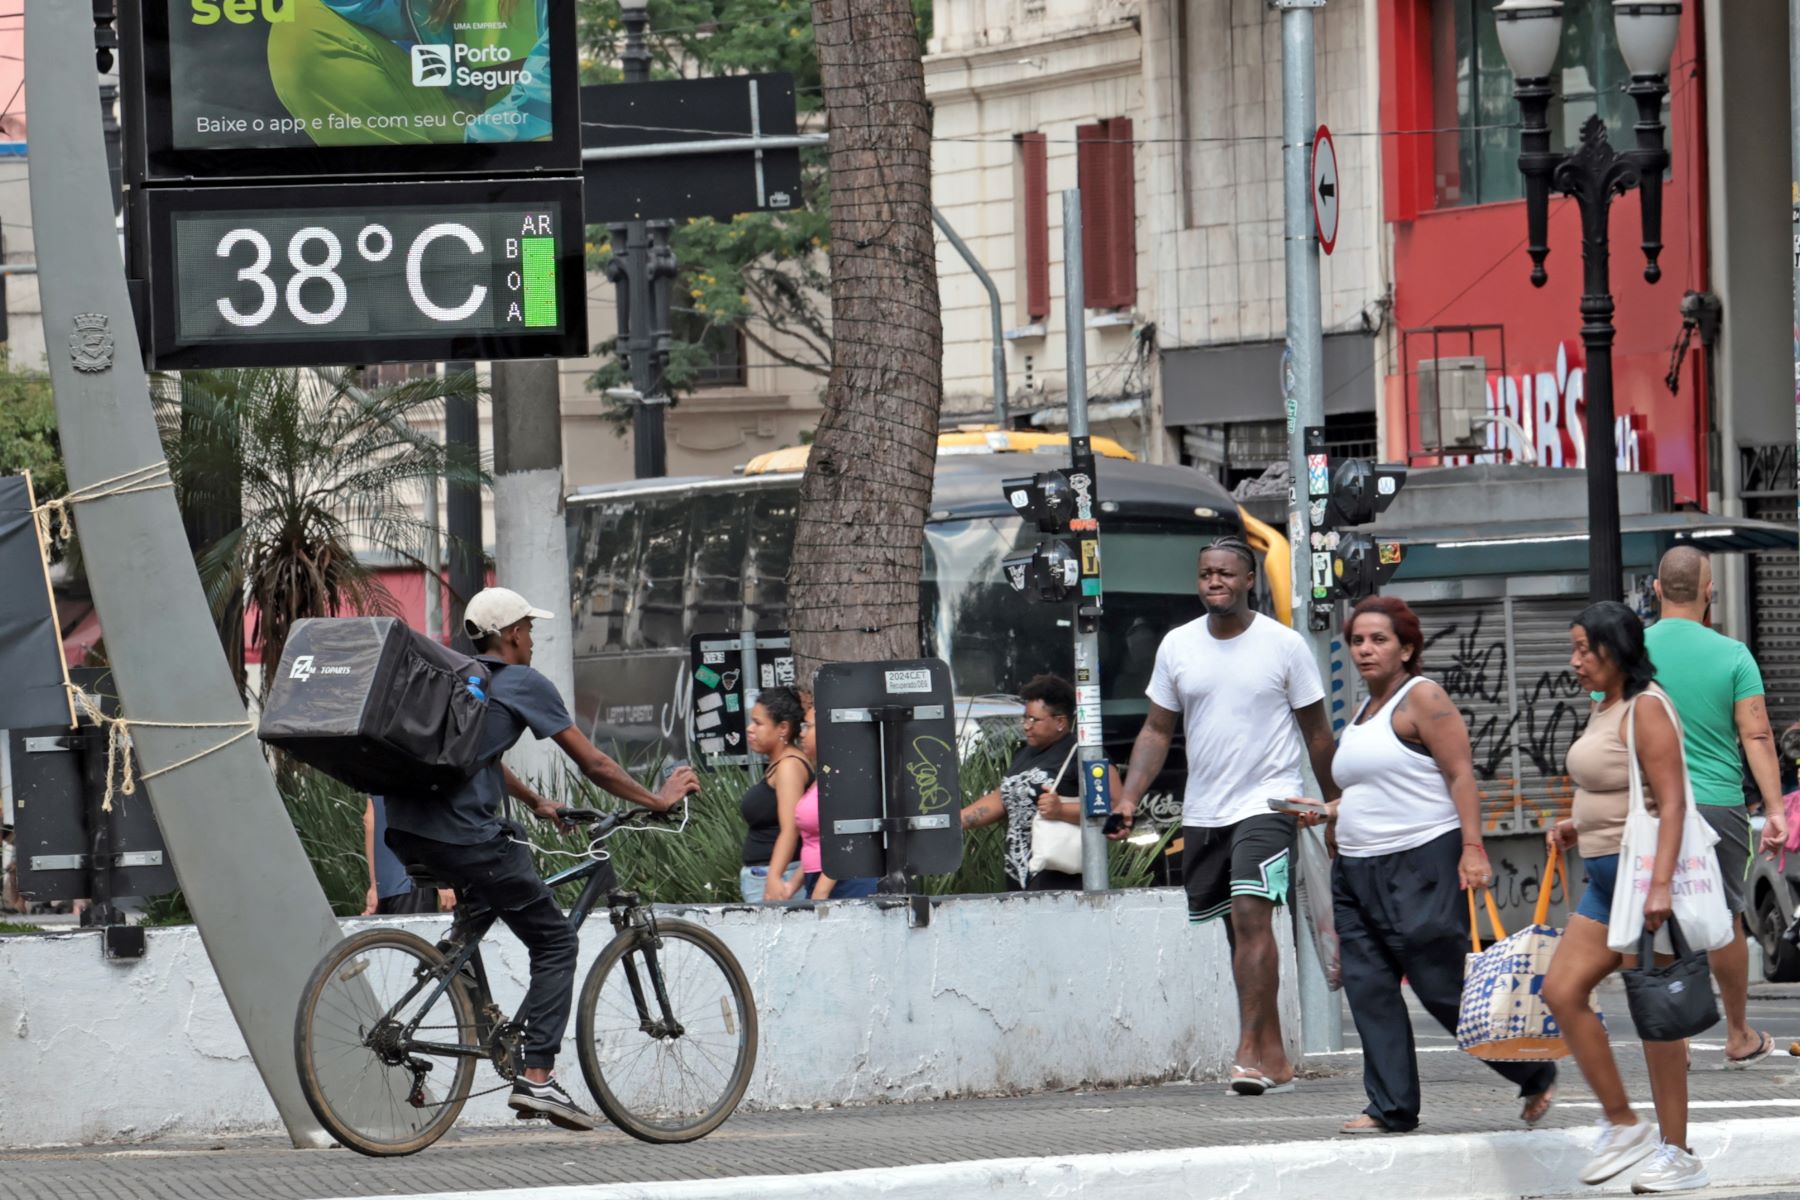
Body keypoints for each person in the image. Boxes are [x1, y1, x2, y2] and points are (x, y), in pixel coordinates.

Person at [384, 586, 697, 1132]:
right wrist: (658, 798)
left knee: (476, 921)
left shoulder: (457, 680)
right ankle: (538, 1077)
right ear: (509, 636)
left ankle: (470, 1010)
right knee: (555, 940)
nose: (532, 639)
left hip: (411, 834)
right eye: (528, 629)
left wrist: (535, 802)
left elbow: (475, 756)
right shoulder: (521, 681)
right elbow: (595, 764)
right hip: (469, 839)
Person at [1109, 537, 1338, 1096]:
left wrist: (1336, 807)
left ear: (1249, 580)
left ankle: (1245, 1053)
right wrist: (1129, 797)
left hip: (1269, 803)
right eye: (1206, 573)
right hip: (1206, 810)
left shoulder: (1284, 646)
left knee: (1251, 916)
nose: (1215, 582)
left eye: (1226, 573)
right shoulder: (1177, 647)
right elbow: (1157, 731)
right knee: (1237, 935)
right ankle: (1277, 1059)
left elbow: (1316, 733)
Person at [1326, 596, 1556, 1135]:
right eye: (1357, 640)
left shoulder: (1422, 696)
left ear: (1407, 648)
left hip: (1419, 861)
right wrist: (1330, 810)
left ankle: (1532, 1069)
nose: (1365, 649)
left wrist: (1474, 848)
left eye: (1378, 639)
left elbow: (1459, 774)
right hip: (1355, 869)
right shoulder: (1363, 712)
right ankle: (1390, 1107)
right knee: (1368, 987)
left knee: (1439, 985)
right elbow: (1379, 784)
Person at [1542, 601, 1704, 1194]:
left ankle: (1679, 1152)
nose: (1576, 661)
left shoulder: (1648, 708)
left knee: (1658, 1021)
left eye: (1586, 649)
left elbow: (1673, 801)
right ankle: (1622, 1122)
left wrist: (1660, 884)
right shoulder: (1606, 706)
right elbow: (1613, 788)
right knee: (1561, 991)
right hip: (1607, 882)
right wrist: (1574, 827)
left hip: (1643, 884)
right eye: (1575, 648)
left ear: (1619, 650)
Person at [1644, 546, 1787, 1067]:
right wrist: (1774, 809)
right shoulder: (1733, 655)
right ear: (1710, 592)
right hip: (1719, 804)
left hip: (1652, 807)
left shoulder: (1628, 651)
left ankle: (1673, 1041)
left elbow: (1613, 732)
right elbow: (1758, 734)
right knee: (1724, 917)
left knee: (1659, 918)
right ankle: (1738, 1033)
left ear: (1657, 590)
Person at [268, 0, 552, 147]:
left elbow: (548, 88)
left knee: (542, 143)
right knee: (302, 26)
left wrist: (473, 146)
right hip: (454, 112)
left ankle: (441, 207)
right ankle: (405, 205)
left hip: (523, 132)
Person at [959, 675, 1120, 891]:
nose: (1026, 726)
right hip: (1020, 878)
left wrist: (1062, 810)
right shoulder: (1025, 754)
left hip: (1061, 881)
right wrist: (956, 822)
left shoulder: (1084, 754)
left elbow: (1115, 810)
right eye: (1025, 718)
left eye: (1034, 720)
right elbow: (1003, 798)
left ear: (1060, 721)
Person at [796, 693, 879, 899]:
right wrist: (792, 885)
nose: (802, 734)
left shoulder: (846, 773)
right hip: (820, 878)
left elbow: (848, 835)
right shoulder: (825, 773)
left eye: (808, 726)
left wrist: (822, 891)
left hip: (847, 883)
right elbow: (816, 841)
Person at [738, 686, 813, 903]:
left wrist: (774, 877)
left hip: (778, 876)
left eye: (758, 723)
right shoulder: (778, 764)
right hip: (764, 875)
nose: (750, 729)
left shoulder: (789, 766)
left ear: (783, 728)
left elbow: (790, 829)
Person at [361, 796, 454, 916]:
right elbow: (431, 817)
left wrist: (374, 886)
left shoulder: (375, 777)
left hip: (384, 886)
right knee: (414, 933)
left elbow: (369, 821)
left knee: (393, 935)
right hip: (415, 879)